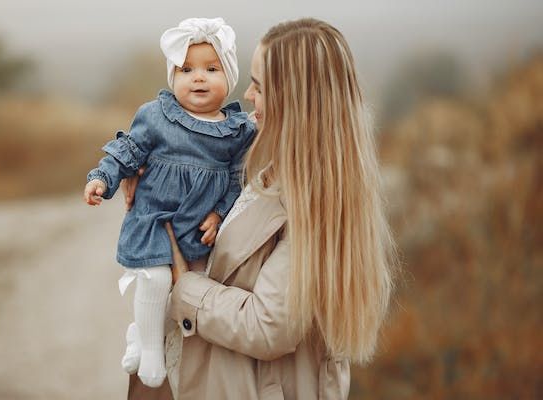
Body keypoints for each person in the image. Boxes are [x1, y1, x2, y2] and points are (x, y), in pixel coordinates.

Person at [124, 18, 395, 399]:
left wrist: (185, 287)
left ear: (296, 103)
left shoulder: (317, 200)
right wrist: (146, 167)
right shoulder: (272, 163)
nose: (248, 95)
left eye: (261, 87)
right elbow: (192, 141)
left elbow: (268, 326)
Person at [83, 17, 255, 388]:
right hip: (154, 215)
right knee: (156, 278)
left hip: (196, 226)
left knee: (185, 291)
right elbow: (128, 150)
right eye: (186, 69)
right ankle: (149, 348)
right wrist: (101, 178)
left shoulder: (237, 130)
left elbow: (235, 179)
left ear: (231, 76)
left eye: (211, 69)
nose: (198, 78)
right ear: (172, 76)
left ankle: (144, 335)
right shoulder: (157, 116)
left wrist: (219, 212)